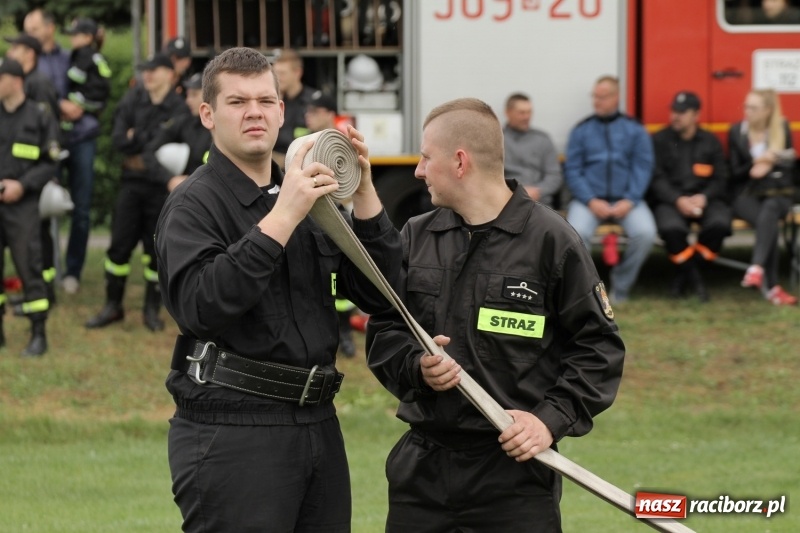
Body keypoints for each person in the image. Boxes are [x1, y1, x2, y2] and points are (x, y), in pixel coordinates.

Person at [154, 47, 401, 532]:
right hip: (233, 431)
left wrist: (366, 195)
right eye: (237, 102)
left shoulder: (312, 198)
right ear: (208, 114)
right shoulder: (193, 205)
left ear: (282, 110)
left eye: (266, 101)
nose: (255, 113)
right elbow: (202, 306)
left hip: (317, 423)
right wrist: (283, 217)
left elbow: (383, 294)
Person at [366, 98, 625, 533]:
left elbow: (598, 347)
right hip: (422, 474)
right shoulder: (417, 235)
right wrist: (416, 368)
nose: (418, 170)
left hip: (514, 478)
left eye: (426, 157)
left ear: (460, 161)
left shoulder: (551, 240)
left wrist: (549, 420)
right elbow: (387, 328)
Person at [85, 53, 189, 331]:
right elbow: (119, 139)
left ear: (170, 74)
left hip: (161, 190)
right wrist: (147, 141)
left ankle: (151, 310)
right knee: (118, 246)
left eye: (154, 71)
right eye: (145, 71)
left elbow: (161, 148)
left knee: (155, 251)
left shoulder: (179, 107)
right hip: (131, 184)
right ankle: (112, 305)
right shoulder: (132, 99)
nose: (148, 76)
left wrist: (139, 138)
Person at [564, 75, 657, 303]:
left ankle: (621, 287)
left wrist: (630, 199)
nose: (597, 101)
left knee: (646, 234)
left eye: (602, 97)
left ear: (616, 97)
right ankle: (587, 290)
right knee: (574, 236)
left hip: (626, 200)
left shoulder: (634, 130)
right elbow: (573, 169)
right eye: (594, 96)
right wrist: (590, 200)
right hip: (589, 201)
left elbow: (643, 167)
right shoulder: (581, 130)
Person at [0, 57, 61, 356]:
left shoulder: (39, 116)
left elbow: (51, 163)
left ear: (14, 80)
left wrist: (22, 185)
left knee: (29, 266)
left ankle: (39, 333)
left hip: (22, 204)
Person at [649, 91, 731, 301]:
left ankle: (682, 274)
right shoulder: (660, 139)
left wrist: (704, 197)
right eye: (674, 111)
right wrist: (677, 199)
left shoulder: (710, 141)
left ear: (696, 115)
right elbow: (656, 178)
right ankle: (696, 281)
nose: (676, 116)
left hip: (705, 200)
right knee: (671, 228)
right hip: (672, 201)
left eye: (682, 112)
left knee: (720, 224)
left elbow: (721, 179)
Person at [4, 32, 61, 302]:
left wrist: (29, 182)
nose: (11, 52)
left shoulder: (38, 86)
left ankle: (42, 294)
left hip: (31, 187)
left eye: (16, 47)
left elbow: (49, 142)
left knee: (34, 247)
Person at [728, 88, 798, 305]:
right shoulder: (737, 131)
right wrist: (756, 163)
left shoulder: (781, 127)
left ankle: (757, 269)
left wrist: (771, 157)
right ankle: (770, 284)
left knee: (769, 211)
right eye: (746, 106)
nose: (747, 111)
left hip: (778, 193)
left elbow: (791, 159)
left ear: (768, 110)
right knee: (768, 222)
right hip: (747, 193)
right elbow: (733, 172)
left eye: (754, 108)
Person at [58, 17, 112, 295]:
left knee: (81, 209)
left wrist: (80, 106)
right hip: (60, 136)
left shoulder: (95, 58)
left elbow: (102, 92)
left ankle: (72, 272)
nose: (71, 38)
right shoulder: (70, 57)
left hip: (83, 136)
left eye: (76, 34)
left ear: (89, 36)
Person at [303, 90, 359, 357]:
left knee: (340, 276)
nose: (308, 116)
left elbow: (350, 181)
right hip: (311, 211)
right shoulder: (303, 138)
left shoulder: (342, 139)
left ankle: (345, 334)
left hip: (337, 211)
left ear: (327, 114)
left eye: (313, 111)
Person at [142, 72, 211, 194]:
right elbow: (149, 151)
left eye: (194, 95)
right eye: (187, 95)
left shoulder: (223, 128)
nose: (188, 101)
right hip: (183, 195)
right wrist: (170, 179)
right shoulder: (183, 123)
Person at [502, 92, 563, 207]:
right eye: (521, 113)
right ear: (508, 113)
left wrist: (538, 191)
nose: (526, 117)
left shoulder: (543, 140)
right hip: (506, 203)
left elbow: (554, 175)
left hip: (539, 203)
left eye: (529, 112)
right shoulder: (496, 140)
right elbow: (489, 177)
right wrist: (515, 192)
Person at [272, 48, 316, 168]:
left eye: (282, 73)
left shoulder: (314, 102)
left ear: (297, 73)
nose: (278, 78)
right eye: (275, 74)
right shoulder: (273, 102)